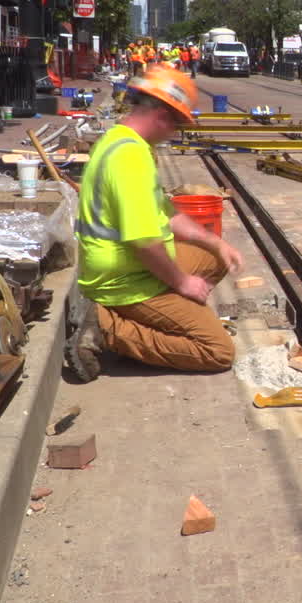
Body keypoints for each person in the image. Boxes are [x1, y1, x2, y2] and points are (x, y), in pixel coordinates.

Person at [66, 64, 244, 382]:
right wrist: (182, 283)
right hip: (122, 281)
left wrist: (216, 242)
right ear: (163, 116)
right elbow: (145, 242)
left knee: (216, 258)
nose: (174, 133)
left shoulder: (123, 141)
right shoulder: (130, 159)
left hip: (126, 267)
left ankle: (154, 314)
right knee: (218, 351)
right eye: (177, 125)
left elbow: (168, 215)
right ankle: (105, 326)